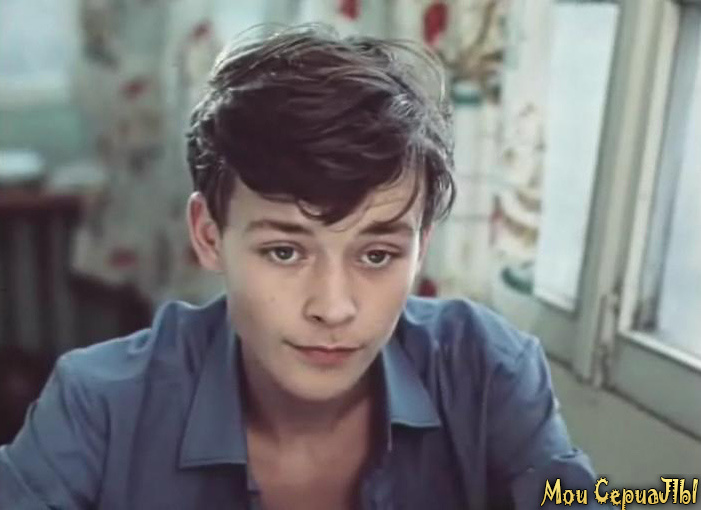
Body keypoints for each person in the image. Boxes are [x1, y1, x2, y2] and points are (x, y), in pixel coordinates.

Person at [0, 24, 606, 509]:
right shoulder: (101, 406)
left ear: (421, 247)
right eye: (284, 251)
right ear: (209, 236)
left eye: (377, 255)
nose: (333, 307)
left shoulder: (485, 371)